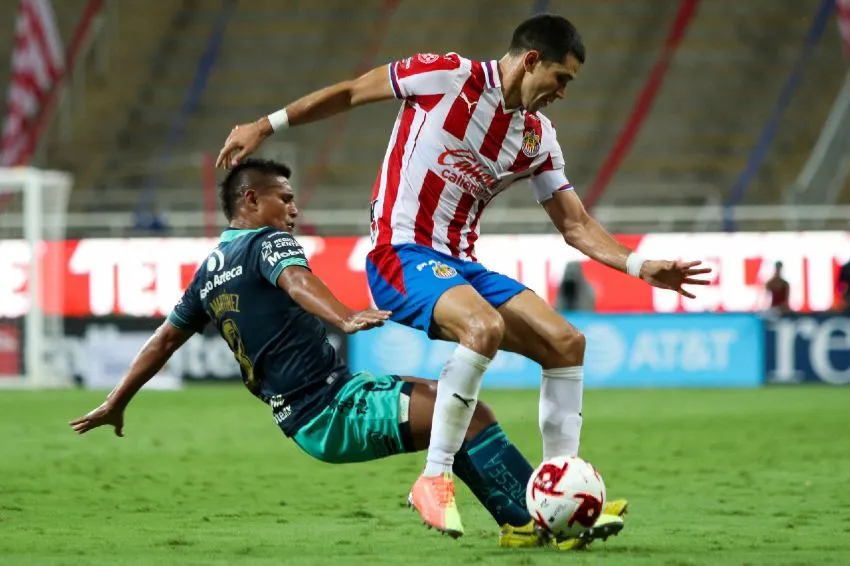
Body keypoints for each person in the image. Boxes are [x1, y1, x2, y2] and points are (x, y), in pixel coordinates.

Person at [216, 14, 709, 536]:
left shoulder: (538, 137)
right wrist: (265, 125)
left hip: (462, 266)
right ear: (531, 60)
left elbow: (576, 225)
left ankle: (558, 490)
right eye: (561, 79)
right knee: (484, 328)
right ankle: (433, 478)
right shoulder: (444, 76)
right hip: (400, 254)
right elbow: (351, 92)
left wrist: (638, 266)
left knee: (566, 343)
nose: (563, 93)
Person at [69, 159, 622, 550]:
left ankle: (527, 521)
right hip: (330, 409)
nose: (292, 206)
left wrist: (117, 401)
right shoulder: (266, 243)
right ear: (250, 200)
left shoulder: (209, 271)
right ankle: (545, 517)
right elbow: (297, 281)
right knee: (470, 413)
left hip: (311, 413)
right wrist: (344, 316)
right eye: (283, 196)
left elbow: (165, 337)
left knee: (452, 414)